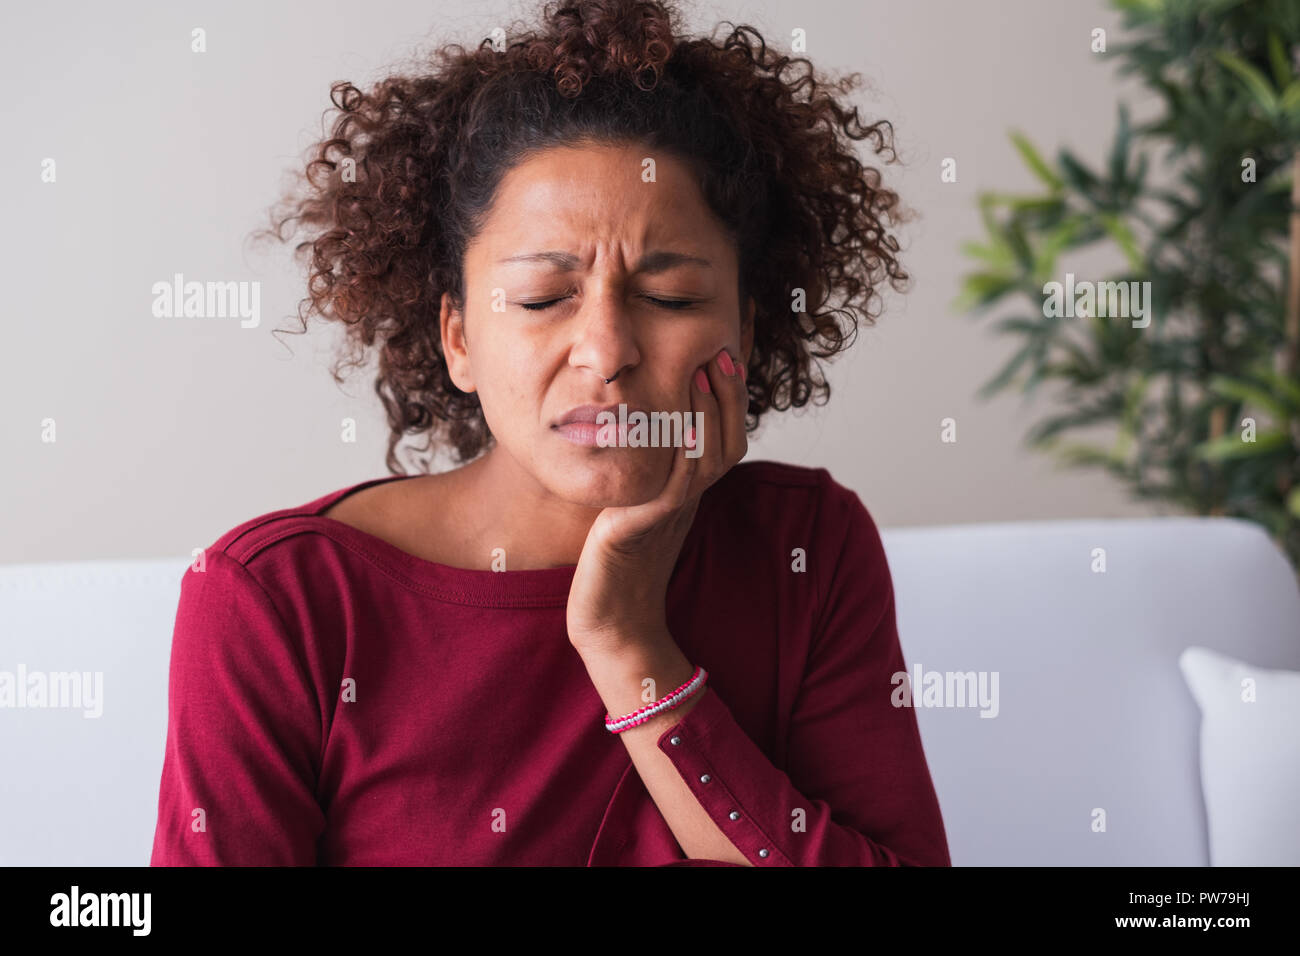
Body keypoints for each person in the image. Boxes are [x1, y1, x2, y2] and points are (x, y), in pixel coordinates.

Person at [149, 0, 950, 867]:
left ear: (746, 335)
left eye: (671, 297)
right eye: (541, 299)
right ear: (458, 337)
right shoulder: (279, 604)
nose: (606, 352)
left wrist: (629, 643)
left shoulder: (807, 548)